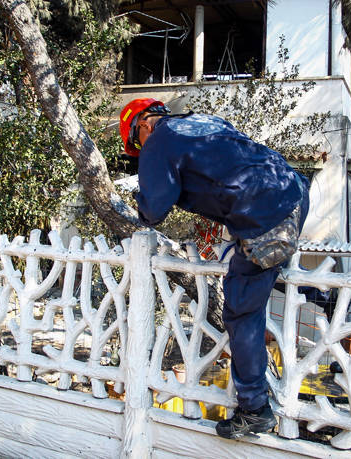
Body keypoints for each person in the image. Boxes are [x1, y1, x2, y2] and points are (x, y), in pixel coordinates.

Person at [119, 98, 310, 439]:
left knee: (241, 311)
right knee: (248, 279)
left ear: (144, 124)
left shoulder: (158, 141)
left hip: (265, 210)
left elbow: (153, 210)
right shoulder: (203, 121)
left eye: (136, 142)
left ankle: (254, 410)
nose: (139, 150)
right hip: (292, 188)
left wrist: (133, 203)